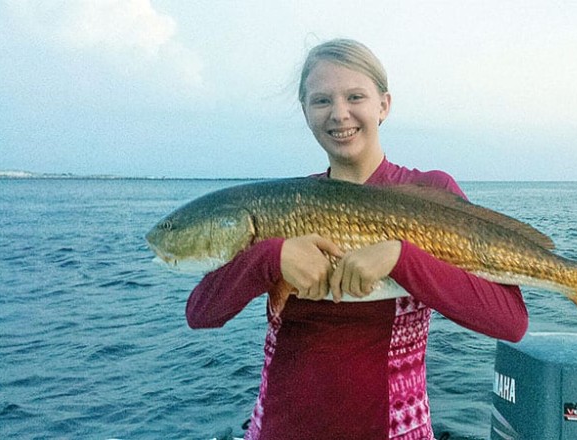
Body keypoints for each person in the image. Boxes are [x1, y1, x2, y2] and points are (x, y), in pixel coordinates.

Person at [186, 39, 528, 440]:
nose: (339, 114)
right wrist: (272, 257)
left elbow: (510, 320)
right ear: (306, 112)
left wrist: (401, 257)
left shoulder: (429, 193)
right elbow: (201, 314)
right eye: (321, 101)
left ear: (383, 105)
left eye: (355, 97)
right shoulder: (285, 205)